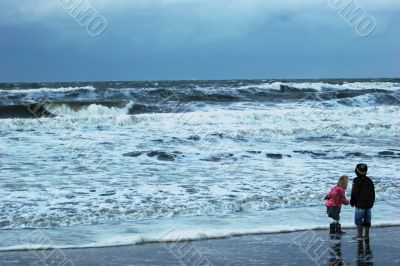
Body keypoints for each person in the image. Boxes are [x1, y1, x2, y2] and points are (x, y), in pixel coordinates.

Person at [350, 163, 375, 240]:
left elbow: (354, 192)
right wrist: (372, 203)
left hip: (359, 205)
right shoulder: (369, 180)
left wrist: (352, 201)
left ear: (356, 171)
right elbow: (373, 193)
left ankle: (359, 236)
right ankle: (366, 235)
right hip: (368, 205)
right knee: (367, 220)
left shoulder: (356, 180)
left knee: (358, 220)